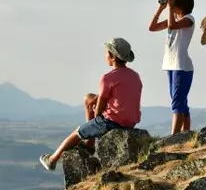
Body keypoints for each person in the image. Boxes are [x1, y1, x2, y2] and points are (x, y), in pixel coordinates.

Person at [39, 38, 142, 171]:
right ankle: (89, 143)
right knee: (88, 98)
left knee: (77, 132)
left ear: (112, 56)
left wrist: (97, 118)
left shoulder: (108, 77)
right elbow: (122, 94)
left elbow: (100, 106)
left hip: (113, 122)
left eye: (106, 53)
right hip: (131, 122)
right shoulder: (135, 76)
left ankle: (52, 160)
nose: (105, 55)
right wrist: (96, 99)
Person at [149, 0, 195, 134]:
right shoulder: (173, 18)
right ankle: (186, 133)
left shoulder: (189, 19)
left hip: (181, 66)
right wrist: (160, 8)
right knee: (181, 102)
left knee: (177, 102)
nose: (171, 1)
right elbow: (152, 27)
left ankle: (174, 137)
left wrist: (169, 7)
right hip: (170, 64)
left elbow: (172, 26)